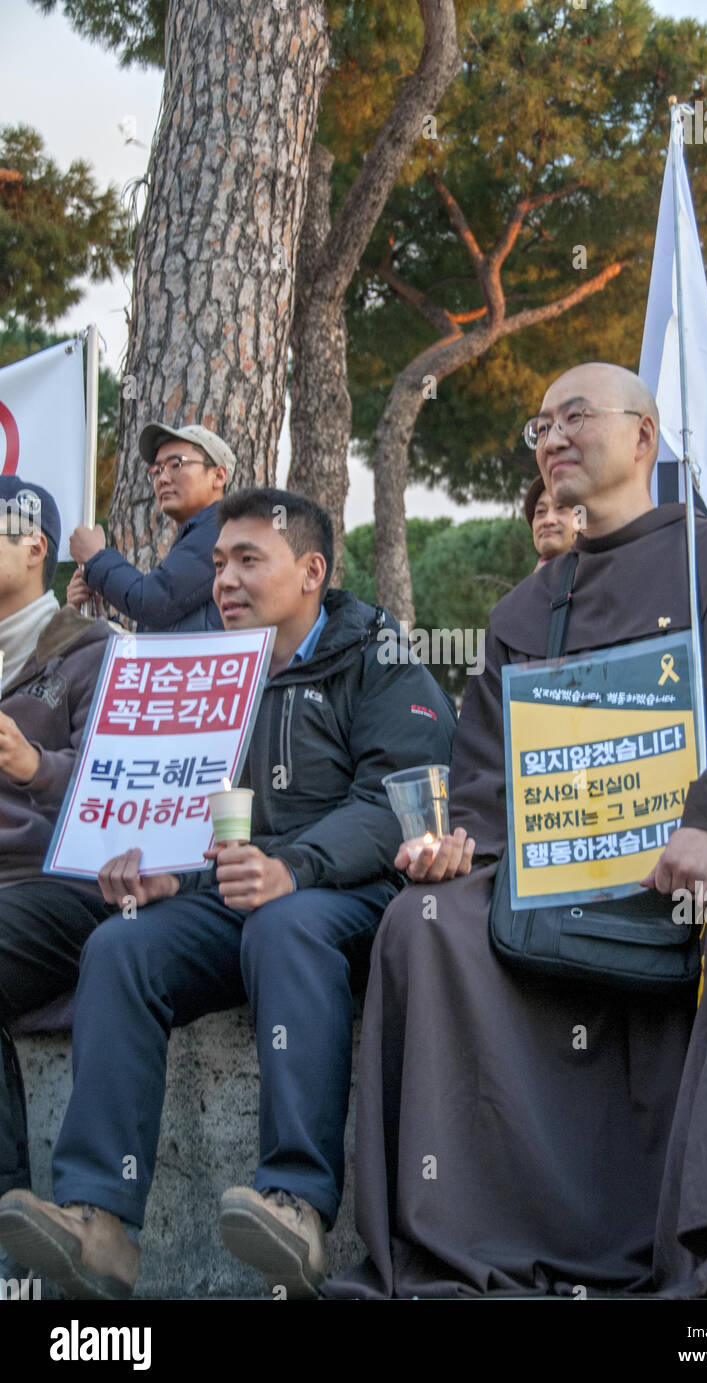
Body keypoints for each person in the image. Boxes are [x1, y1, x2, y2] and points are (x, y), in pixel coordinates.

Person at [324, 362, 707, 1301]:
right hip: (559, 893)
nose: (553, 437)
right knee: (424, 922)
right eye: (539, 426)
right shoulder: (519, 613)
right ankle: (453, 1239)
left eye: (576, 415)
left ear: (644, 437)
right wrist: (462, 850)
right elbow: (487, 789)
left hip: (697, 888)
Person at [0, 488, 456, 1301]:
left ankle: (295, 1206)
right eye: (217, 564)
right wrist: (167, 865)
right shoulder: (205, 666)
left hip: (345, 895)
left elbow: (394, 794)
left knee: (285, 927)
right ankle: (98, 1223)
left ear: (311, 571)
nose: (225, 581)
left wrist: (297, 867)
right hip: (232, 891)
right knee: (122, 943)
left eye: (250, 560)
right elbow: (172, 795)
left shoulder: (378, 656)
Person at [0, 479, 114, 1285]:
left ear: (36, 545)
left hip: (57, 886)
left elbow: (120, 786)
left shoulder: (91, 648)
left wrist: (33, 765)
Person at [67, 422, 236, 632]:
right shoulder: (199, 536)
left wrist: (96, 558)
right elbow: (154, 646)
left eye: (176, 464)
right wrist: (97, 619)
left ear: (219, 476)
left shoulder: (221, 530)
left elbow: (153, 601)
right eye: (156, 470)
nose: (162, 479)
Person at [524, 474, 580, 569]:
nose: (548, 520)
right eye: (540, 511)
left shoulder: (606, 578)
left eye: (561, 507)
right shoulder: (531, 583)